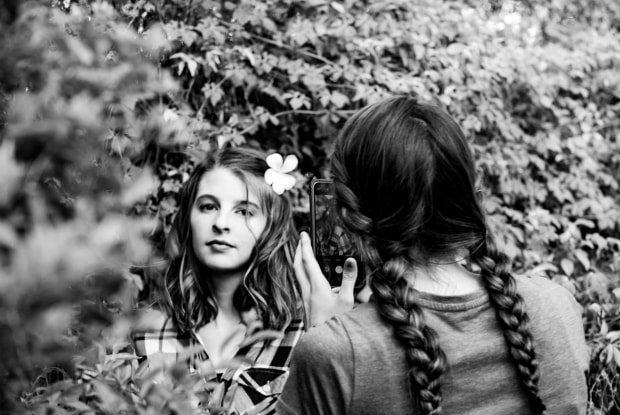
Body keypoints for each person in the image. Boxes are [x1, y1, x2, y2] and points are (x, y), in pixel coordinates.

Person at [276, 97, 589, 415]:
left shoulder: (334, 353)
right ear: (472, 196)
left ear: (347, 213)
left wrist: (328, 332)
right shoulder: (558, 307)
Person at [132, 146, 354, 414]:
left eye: (244, 211)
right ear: (188, 218)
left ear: (271, 226)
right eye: (209, 206)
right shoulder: (148, 330)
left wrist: (330, 342)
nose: (221, 223)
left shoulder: (306, 329)